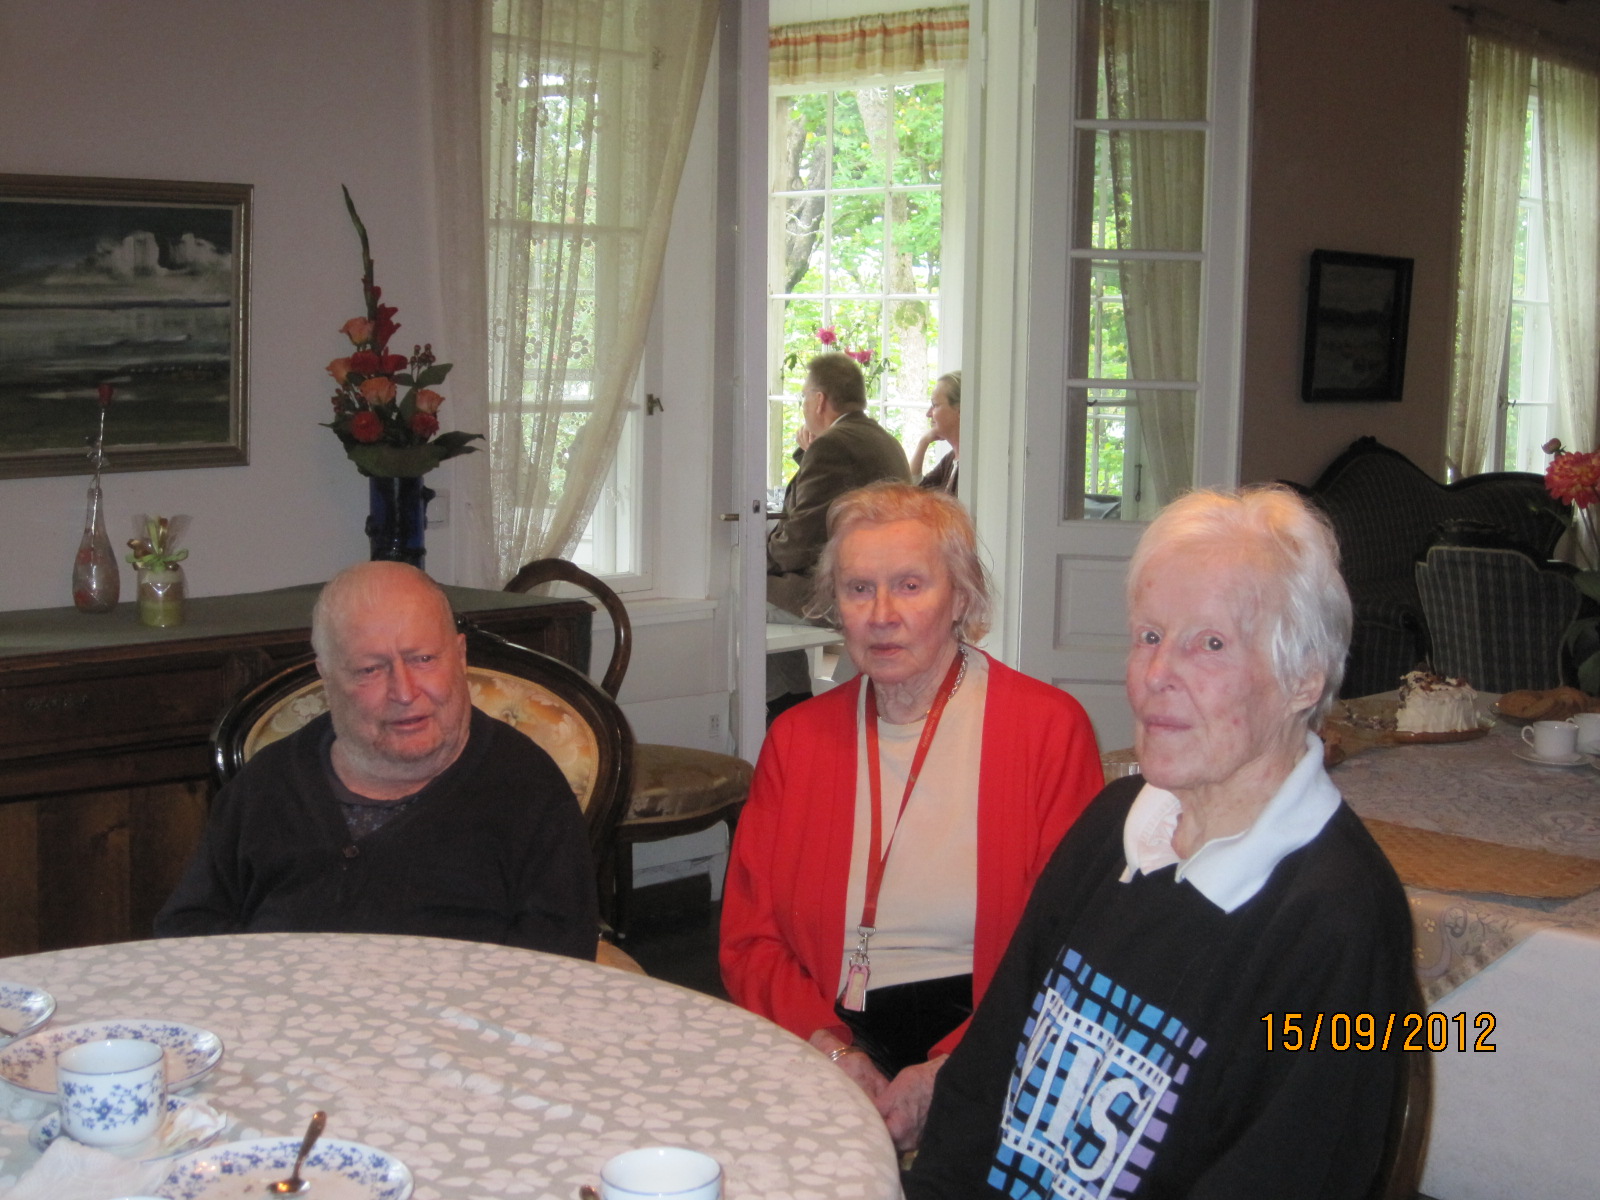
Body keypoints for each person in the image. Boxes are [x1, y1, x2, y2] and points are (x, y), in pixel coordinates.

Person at [906, 486, 1418, 1199]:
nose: (1155, 676)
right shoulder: (1116, 825)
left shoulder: (1339, 921)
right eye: (1149, 636)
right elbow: (984, 1074)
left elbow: (1287, 1175)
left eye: (1210, 644)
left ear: (1303, 677)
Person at [723, 482, 1103, 1152]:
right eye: (858, 589)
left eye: (910, 586)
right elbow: (749, 938)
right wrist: (831, 1050)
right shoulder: (797, 739)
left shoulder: (1046, 731)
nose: (882, 615)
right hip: (824, 1024)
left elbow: (1072, 944)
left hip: (989, 1029)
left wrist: (951, 1071)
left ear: (961, 598)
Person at [155, 561, 598, 958]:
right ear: (326, 676)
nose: (404, 692)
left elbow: (556, 964)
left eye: (423, 659)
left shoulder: (525, 789)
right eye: (370, 669)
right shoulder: (269, 783)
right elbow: (187, 933)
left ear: (460, 656)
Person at [766, 352, 911, 711]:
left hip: (841, 594)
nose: (803, 405)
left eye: (803, 396)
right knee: (763, 585)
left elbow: (797, 544)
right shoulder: (884, 440)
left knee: (744, 589)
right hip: (885, 583)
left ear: (819, 400)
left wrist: (761, 555)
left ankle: (784, 707)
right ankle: (792, 702)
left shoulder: (833, 446)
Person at [910, 371, 961, 495]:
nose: (928, 414)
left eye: (935, 405)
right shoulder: (950, 459)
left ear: (960, 410)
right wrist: (923, 443)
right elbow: (913, 493)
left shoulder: (973, 464)